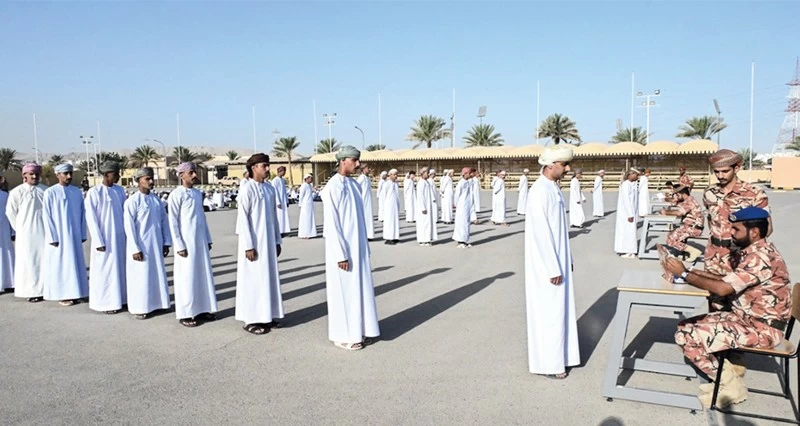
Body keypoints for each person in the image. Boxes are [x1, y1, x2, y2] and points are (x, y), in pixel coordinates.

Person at [666, 207, 790, 409]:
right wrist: (688, 270)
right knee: (684, 326)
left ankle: (731, 386)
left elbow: (723, 289)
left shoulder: (761, 258)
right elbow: (727, 280)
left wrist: (685, 275)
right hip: (746, 320)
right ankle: (726, 375)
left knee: (686, 336)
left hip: (762, 329)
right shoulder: (754, 252)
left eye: (736, 229)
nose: (730, 233)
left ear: (754, 232)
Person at [524, 145, 580, 379]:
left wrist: (567, 259)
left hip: (558, 260)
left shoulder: (552, 188)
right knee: (549, 313)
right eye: (563, 165)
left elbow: (558, 232)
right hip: (547, 266)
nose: (567, 169)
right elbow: (541, 233)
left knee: (559, 311)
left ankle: (562, 357)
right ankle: (550, 363)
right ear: (550, 165)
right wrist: (553, 267)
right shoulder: (539, 191)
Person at [319, 146, 379, 350]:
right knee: (344, 293)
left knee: (359, 291)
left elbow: (359, 220)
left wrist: (364, 247)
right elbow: (333, 225)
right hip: (343, 251)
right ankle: (342, 335)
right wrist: (340, 254)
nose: (358, 164)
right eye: (354, 160)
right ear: (343, 161)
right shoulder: (332, 187)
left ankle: (360, 330)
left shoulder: (353, 185)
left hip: (358, 248)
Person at [236, 153, 284, 335]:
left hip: (269, 242)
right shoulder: (247, 189)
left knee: (268, 279)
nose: (267, 169)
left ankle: (267, 316)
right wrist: (248, 245)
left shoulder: (269, 189)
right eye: (264, 165)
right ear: (253, 168)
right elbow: (243, 219)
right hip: (254, 244)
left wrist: (277, 240)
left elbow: (274, 218)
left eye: (267, 165)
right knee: (253, 280)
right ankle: (251, 319)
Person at [703, 149, 771, 278]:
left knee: (741, 296)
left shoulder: (754, 193)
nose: (720, 176)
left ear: (736, 168)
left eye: (725, 171)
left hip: (740, 255)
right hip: (714, 254)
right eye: (716, 172)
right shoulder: (709, 192)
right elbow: (710, 219)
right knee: (713, 294)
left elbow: (766, 229)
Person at [167, 162, 218, 327]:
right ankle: (186, 313)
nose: (195, 175)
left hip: (200, 241)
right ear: (182, 175)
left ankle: (203, 308)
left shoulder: (197, 193)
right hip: (186, 243)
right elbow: (173, 222)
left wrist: (208, 239)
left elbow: (202, 218)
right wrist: (179, 245)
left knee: (201, 275)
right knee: (187, 277)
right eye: (191, 173)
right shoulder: (176, 195)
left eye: (195, 172)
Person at [124, 168, 172, 319]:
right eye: (147, 179)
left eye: (151, 178)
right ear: (138, 181)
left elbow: (164, 222)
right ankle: (141, 307)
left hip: (156, 244)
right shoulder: (132, 201)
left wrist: (166, 242)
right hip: (141, 246)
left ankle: (158, 304)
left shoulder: (156, 200)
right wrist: (134, 248)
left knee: (156, 274)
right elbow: (129, 227)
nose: (151, 182)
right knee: (141, 276)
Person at [42, 163, 88, 306]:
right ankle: (63, 294)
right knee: (61, 265)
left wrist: (82, 233)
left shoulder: (76, 192)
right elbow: (47, 216)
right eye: (65, 173)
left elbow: (82, 214)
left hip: (74, 235)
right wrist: (52, 237)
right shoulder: (50, 192)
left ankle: (77, 292)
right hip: (59, 237)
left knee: (75, 263)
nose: (68, 176)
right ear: (57, 175)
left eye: (70, 173)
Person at [85, 161, 127, 314]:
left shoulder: (120, 191)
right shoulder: (94, 192)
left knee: (120, 269)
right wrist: (98, 241)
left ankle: (122, 300)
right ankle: (106, 303)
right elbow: (91, 218)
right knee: (106, 271)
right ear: (106, 175)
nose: (118, 176)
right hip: (104, 239)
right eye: (115, 174)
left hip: (120, 238)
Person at [6, 163, 47, 302]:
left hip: (43, 233)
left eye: (36, 174)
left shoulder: (45, 191)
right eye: (31, 174)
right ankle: (31, 291)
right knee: (28, 262)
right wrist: (20, 229)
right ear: (24, 175)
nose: (34, 176)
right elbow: (10, 212)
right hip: (25, 234)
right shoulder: (17, 192)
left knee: (43, 260)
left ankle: (45, 289)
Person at [660, 184, 704, 261]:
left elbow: (679, 213)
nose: (676, 196)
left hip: (694, 228)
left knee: (670, 240)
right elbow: (674, 202)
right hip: (689, 226)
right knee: (670, 234)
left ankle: (693, 251)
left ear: (683, 194)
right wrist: (665, 198)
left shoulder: (689, 202)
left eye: (677, 194)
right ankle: (683, 253)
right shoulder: (686, 200)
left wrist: (665, 212)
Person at [614, 168, 640, 258]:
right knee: (625, 231)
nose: (637, 177)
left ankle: (630, 251)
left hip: (630, 212)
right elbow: (626, 200)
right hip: (626, 213)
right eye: (636, 175)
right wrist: (630, 214)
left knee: (630, 231)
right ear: (630, 175)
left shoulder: (631, 184)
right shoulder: (626, 185)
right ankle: (626, 249)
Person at [415, 167, 438, 246]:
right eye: (427, 173)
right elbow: (420, 196)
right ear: (422, 173)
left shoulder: (427, 182)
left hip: (428, 205)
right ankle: (423, 240)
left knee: (428, 223)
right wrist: (423, 207)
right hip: (424, 207)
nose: (428, 174)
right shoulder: (420, 183)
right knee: (423, 223)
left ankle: (427, 238)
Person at [453, 167, 474, 248]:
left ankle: (464, 240)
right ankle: (460, 241)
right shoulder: (461, 183)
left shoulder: (467, 182)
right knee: (461, 223)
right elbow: (457, 194)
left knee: (466, 223)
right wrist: (455, 204)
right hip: (461, 206)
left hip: (466, 206)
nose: (470, 175)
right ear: (465, 174)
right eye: (469, 173)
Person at [0, 174, 14, 293]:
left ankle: (9, 282)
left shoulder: (6, 196)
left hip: (4, 230)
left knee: (6, 255)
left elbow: (12, 213)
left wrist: (13, 231)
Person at [355, 165, 375, 239]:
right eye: (367, 168)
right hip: (363, 200)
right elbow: (357, 186)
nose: (369, 169)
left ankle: (369, 235)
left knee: (368, 217)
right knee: (364, 217)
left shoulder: (367, 178)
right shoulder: (361, 178)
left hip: (368, 201)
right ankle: (364, 235)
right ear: (363, 169)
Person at [382, 169, 401, 245]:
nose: (396, 176)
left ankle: (395, 237)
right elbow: (383, 196)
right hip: (388, 206)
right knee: (389, 222)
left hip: (395, 205)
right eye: (394, 174)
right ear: (390, 175)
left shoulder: (396, 184)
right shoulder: (387, 184)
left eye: (396, 174)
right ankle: (388, 238)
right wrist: (384, 207)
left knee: (395, 221)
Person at [271, 166, 291, 237]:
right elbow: (275, 192)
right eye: (283, 171)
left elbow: (284, 192)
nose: (284, 173)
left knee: (284, 216)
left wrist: (287, 201)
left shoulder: (282, 180)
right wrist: (278, 202)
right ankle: (279, 231)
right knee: (279, 216)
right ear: (280, 171)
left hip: (283, 201)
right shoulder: (274, 181)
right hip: (278, 202)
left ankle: (284, 230)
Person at [298, 174, 317, 239]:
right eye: (310, 178)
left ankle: (310, 233)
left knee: (309, 219)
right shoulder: (304, 186)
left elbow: (311, 195)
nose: (311, 179)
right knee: (305, 219)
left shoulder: (310, 185)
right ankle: (305, 234)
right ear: (306, 179)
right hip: (305, 205)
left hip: (310, 204)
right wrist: (300, 204)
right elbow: (301, 196)